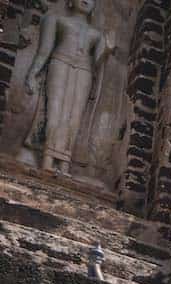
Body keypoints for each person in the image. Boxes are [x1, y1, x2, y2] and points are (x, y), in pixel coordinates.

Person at [24, 0, 106, 173]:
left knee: (74, 119)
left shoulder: (97, 34)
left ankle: (64, 165)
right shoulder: (57, 19)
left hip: (84, 70)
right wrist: (33, 73)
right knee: (55, 111)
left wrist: (107, 49)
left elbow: (98, 64)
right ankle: (47, 161)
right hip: (60, 62)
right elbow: (44, 50)